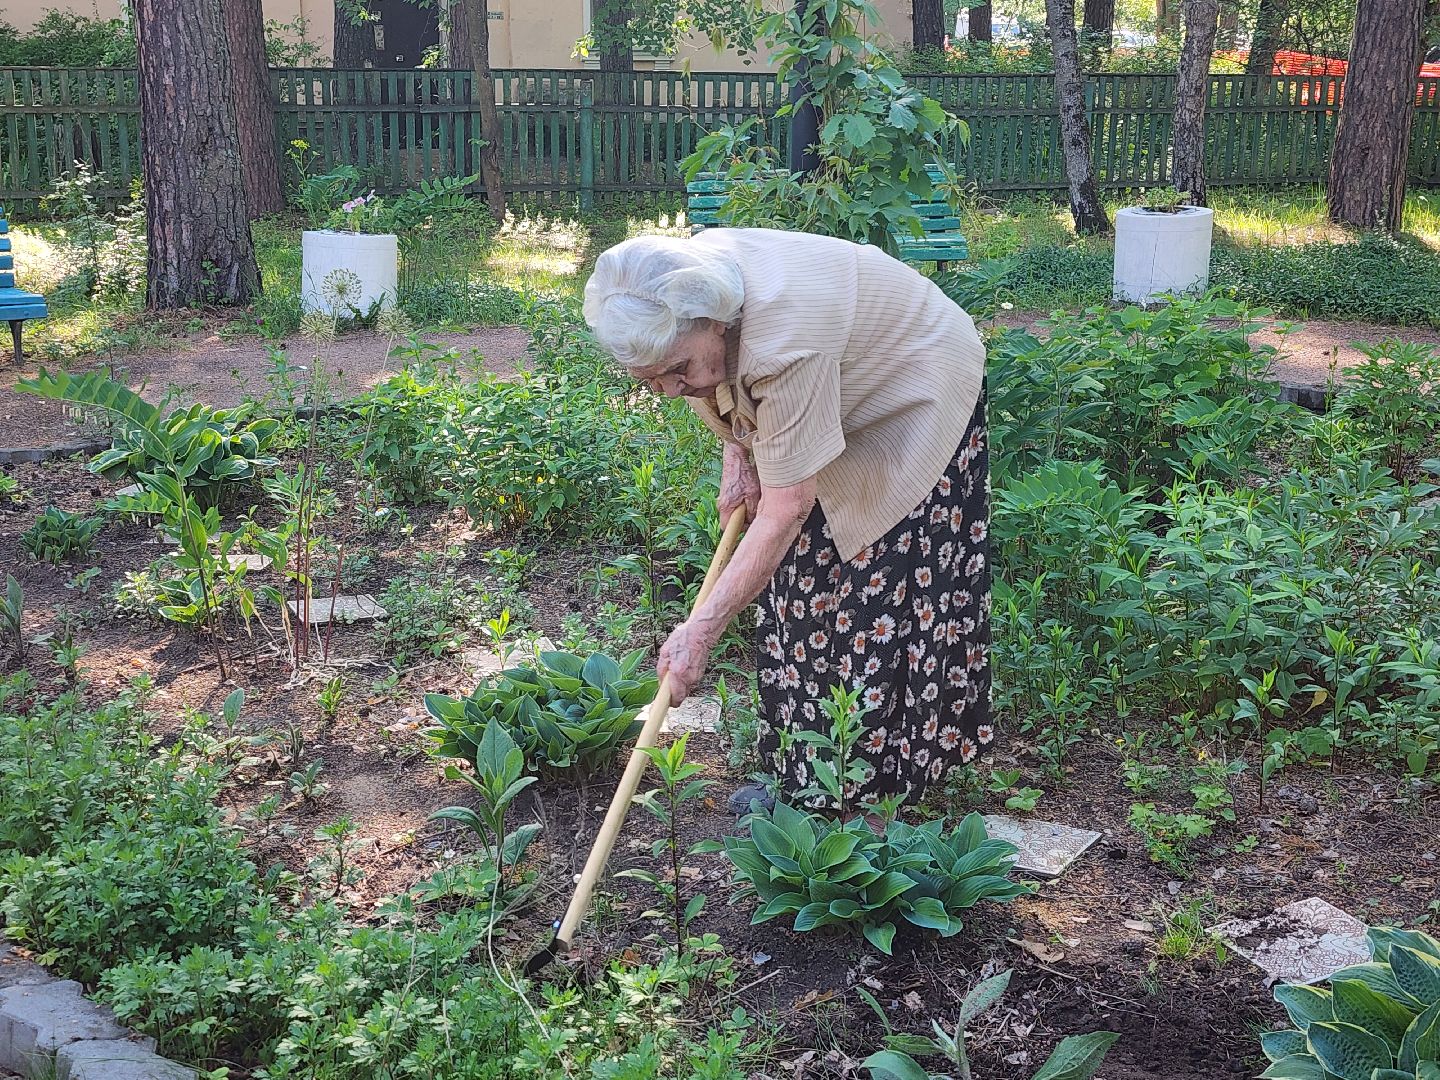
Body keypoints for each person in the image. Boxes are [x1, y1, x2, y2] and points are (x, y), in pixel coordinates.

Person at [583, 227, 991, 812]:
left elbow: (786, 507)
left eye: (676, 370)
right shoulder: (674, 281)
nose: (670, 391)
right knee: (795, 585)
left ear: (715, 323)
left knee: (875, 586)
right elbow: (727, 387)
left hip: (914, 386)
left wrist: (702, 629)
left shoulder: (786, 341)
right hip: (826, 374)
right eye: (649, 380)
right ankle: (800, 778)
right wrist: (738, 456)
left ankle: (866, 804)